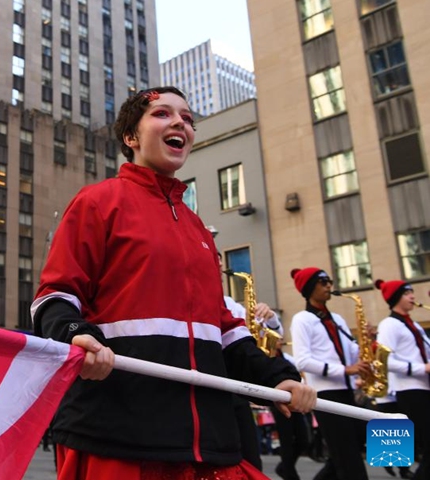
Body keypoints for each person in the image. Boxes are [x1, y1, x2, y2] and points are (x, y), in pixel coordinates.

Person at [31, 86, 316, 480]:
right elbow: (56, 294)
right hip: (118, 432)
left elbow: (223, 327)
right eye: (162, 114)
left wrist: (276, 374)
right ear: (130, 138)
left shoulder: (197, 226)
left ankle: (392, 456)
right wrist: (76, 333)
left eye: (187, 118)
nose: (180, 122)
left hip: (206, 438)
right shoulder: (98, 201)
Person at [289, 267, 370, 480]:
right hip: (325, 394)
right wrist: (344, 370)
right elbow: (303, 361)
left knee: (344, 453)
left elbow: (351, 355)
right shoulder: (302, 319)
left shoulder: (338, 319)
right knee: (348, 458)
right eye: (323, 281)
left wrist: (366, 344)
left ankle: (398, 463)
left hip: (347, 390)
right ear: (308, 288)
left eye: (329, 281)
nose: (328, 286)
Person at [220, 253, 284, 471]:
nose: (219, 263)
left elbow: (270, 337)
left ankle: (393, 461)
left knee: (252, 459)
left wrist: (271, 319)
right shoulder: (307, 319)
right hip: (218, 388)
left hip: (241, 389)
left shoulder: (230, 303)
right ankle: (289, 469)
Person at [375, 279, 430, 480]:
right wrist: (422, 367)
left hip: (422, 387)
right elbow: (385, 361)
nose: (413, 297)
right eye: (407, 293)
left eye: (412, 292)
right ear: (397, 297)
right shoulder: (389, 324)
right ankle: (396, 464)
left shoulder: (413, 324)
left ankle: (401, 466)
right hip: (408, 389)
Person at [270, 338, 312, 480]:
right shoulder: (268, 356)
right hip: (279, 401)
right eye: (278, 338)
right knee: (286, 440)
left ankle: (284, 468)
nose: (281, 340)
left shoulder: (286, 357)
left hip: (294, 399)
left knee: (303, 440)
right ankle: (289, 474)